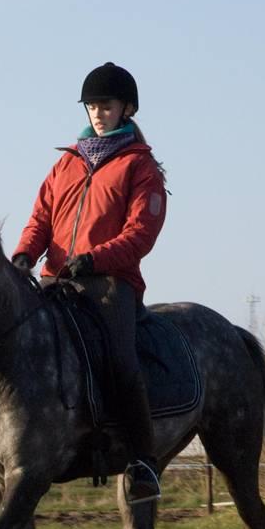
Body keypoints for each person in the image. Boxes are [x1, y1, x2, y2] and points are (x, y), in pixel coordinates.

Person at [11, 61, 167, 503]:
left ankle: (142, 462)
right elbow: (41, 216)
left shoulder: (142, 168)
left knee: (120, 360)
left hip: (110, 286)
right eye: (93, 105)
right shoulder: (66, 162)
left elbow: (141, 233)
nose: (98, 112)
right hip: (57, 280)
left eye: (107, 105)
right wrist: (25, 252)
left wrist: (95, 259)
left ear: (127, 109)